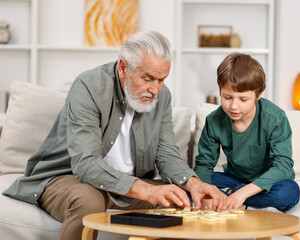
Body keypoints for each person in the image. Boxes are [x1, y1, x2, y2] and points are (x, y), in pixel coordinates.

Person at [3, 31, 225, 240]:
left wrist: (192, 183)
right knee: (88, 200)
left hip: (128, 183)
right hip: (70, 178)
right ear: (123, 68)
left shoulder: (161, 96)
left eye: (162, 79)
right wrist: (144, 190)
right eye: (148, 78)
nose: (155, 89)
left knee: (181, 200)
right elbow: (86, 165)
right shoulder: (89, 86)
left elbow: (166, 153)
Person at [194, 53, 300, 212]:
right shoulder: (214, 120)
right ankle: (243, 201)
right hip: (234, 179)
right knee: (188, 184)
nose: (234, 106)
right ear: (220, 91)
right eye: (227, 97)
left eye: (243, 100)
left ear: (259, 95)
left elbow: (283, 166)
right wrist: (205, 194)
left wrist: (243, 192)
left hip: (268, 183)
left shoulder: (275, 118)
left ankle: (233, 198)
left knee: (289, 192)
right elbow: (204, 164)